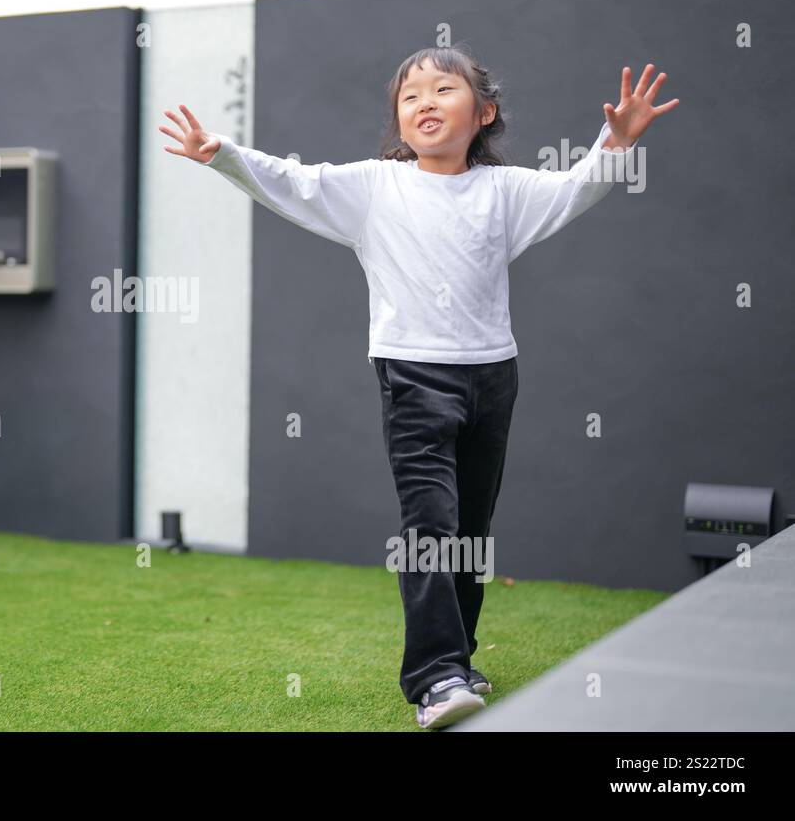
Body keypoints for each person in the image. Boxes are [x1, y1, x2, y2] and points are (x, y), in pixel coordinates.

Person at [159, 45, 679, 729]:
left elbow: (574, 187)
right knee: (430, 526)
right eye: (410, 96)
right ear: (399, 120)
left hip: (494, 377)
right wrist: (219, 151)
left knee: (470, 529)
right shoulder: (373, 186)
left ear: (483, 113)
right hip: (412, 377)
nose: (425, 102)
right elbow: (293, 180)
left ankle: (457, 657)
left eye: (443, 89)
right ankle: (435, 679)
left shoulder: (507, 191)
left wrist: (616, 140)